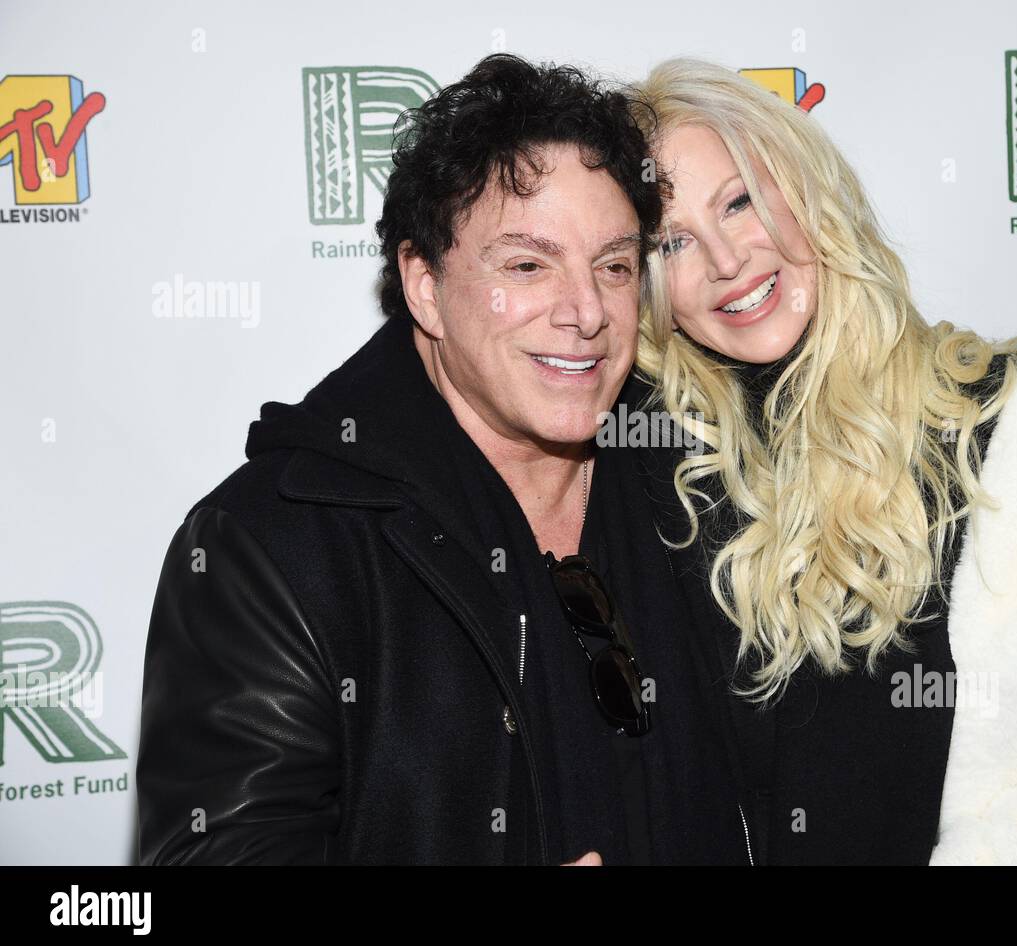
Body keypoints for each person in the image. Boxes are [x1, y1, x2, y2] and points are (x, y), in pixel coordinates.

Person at [615, 57, 1017, 864]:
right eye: (672, 242)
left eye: (738, 201)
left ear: (804, 189)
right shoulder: (648, 459)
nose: (725, 260)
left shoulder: (1011, 422)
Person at [136, 54, 752, 866]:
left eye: (612, 266)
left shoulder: (701, 479)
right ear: (424, 286)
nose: (586, 313)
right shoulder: (270, 547)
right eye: (528, 265)